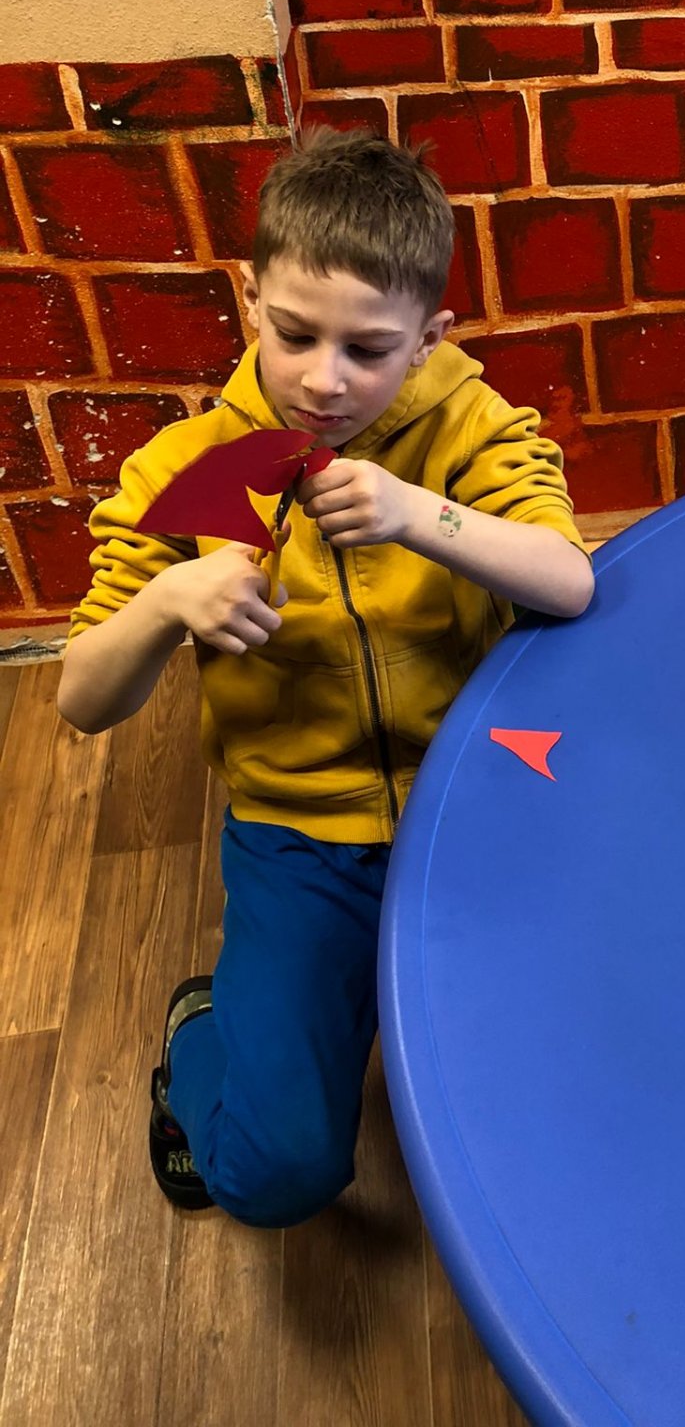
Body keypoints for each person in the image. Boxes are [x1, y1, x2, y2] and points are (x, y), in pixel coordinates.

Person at [58, 127, 594, 1223]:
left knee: (571, 1083)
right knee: (275, 1174)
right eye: (295, 334)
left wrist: (420, 514)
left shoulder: (466, 429)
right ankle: (201, 1037)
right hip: (300, 833)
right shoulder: (186, 469)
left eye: (370, 348)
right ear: (251, 297)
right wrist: (166, 603)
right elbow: (83, 698)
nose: (323, 379)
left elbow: (569, 581)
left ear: (430, 336)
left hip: (477, 800)